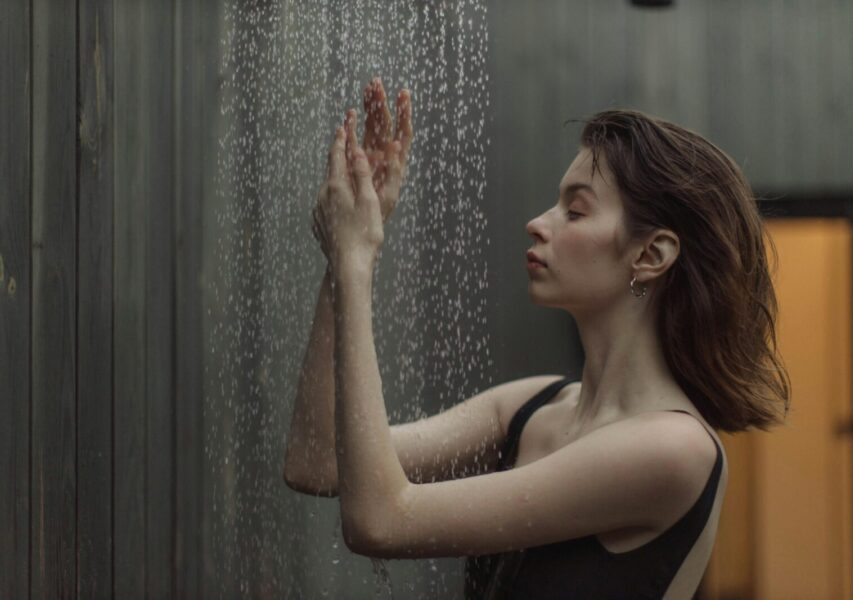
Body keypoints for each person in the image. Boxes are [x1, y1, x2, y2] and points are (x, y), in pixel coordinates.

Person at [283, 76, 790, 599]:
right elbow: (317, 461)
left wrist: (357, 256)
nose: (537, 223)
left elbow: (380, 521)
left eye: (575, 210)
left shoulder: (674, 449)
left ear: (651, 255)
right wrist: (345, 256)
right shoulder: (528, 406)